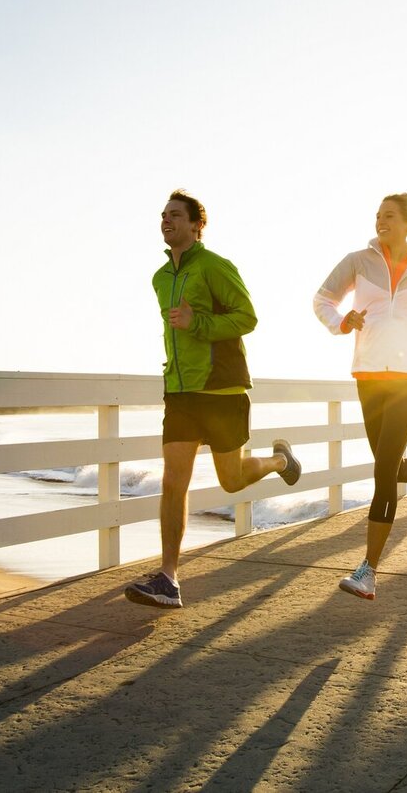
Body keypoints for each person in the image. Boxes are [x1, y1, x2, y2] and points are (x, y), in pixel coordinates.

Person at [125, 190, 301, 609]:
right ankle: (168, 578)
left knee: (231, 480)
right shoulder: (160, 277)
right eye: (163, 215)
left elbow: (247, 317)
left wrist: (197, 322)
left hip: (221, 390)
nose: (166, 220)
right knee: (173, 482)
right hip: (180, 392)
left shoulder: (215, 267)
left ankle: (279, 462)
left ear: (196, 224)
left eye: (175, 215)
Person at [313, 192, 407, 601]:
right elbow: (322, 299)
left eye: (390, 216)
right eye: (378, 215)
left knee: (383, 471)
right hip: (368, 373)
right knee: (388, 466)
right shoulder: (358, 261)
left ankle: (368, 570)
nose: (381, 221)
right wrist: (342, 321)